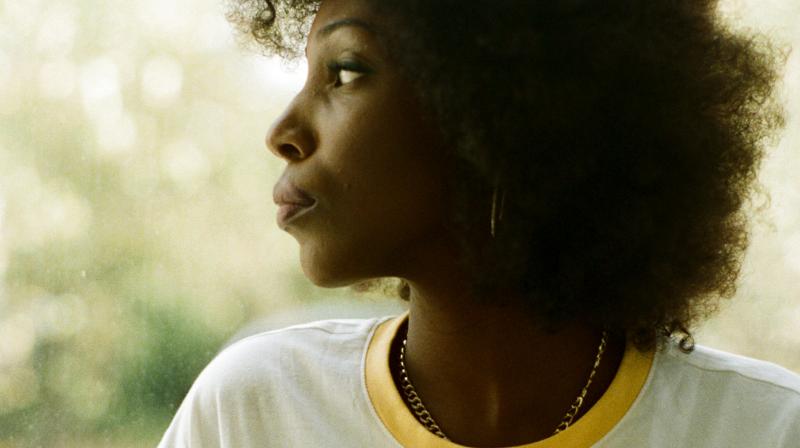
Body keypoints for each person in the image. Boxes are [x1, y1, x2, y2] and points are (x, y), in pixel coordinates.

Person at [158, 0, 800, 446]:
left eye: (345, 72)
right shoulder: (256, 412)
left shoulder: (766, 430)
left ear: (504, 112)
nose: (283, 131)